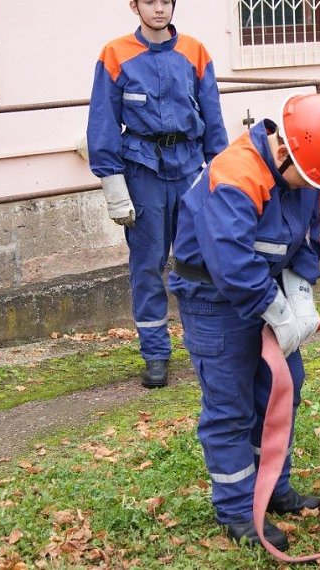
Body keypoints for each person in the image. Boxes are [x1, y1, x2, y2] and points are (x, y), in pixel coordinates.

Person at [167, 93, 320, 549]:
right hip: (215, 299)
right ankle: (237, 510)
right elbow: (231, 262)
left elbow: (311, 234)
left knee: (279, 392)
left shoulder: (308, 169)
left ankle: (271, 487)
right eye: (306, 179)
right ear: (284, 150)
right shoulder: (238, 173)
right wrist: (274, 306)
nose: (309, 188)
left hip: (264, 286)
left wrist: (302, 290)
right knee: (231, 406)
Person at [87, 0, 228, 389]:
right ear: (134, 6)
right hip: (142, 171)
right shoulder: (115, 54)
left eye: (165, 1)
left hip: (189, 168)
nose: (159, 9)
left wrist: (220, 175)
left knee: (199, 261)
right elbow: (102, 119)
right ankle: (155, 354)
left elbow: (213, 116)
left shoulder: (195, 51)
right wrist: (112, 183)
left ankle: (208, 345)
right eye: (149, 1)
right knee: (148, 265)